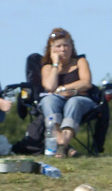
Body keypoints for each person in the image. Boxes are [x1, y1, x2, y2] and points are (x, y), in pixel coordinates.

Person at [39, 28, 97, 158]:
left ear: (72, 47)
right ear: (51, 49)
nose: (63, 49)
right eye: (58, 46)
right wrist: (55, 64)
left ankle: (62, 146)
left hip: (80, 99)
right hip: (57, 101)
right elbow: (50, 86)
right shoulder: (47, 68)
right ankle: (63, 145)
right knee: (48, 101)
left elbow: (86, 83)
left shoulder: (80, 62)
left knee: (73, 102)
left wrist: (64, 89)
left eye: (66, 45)